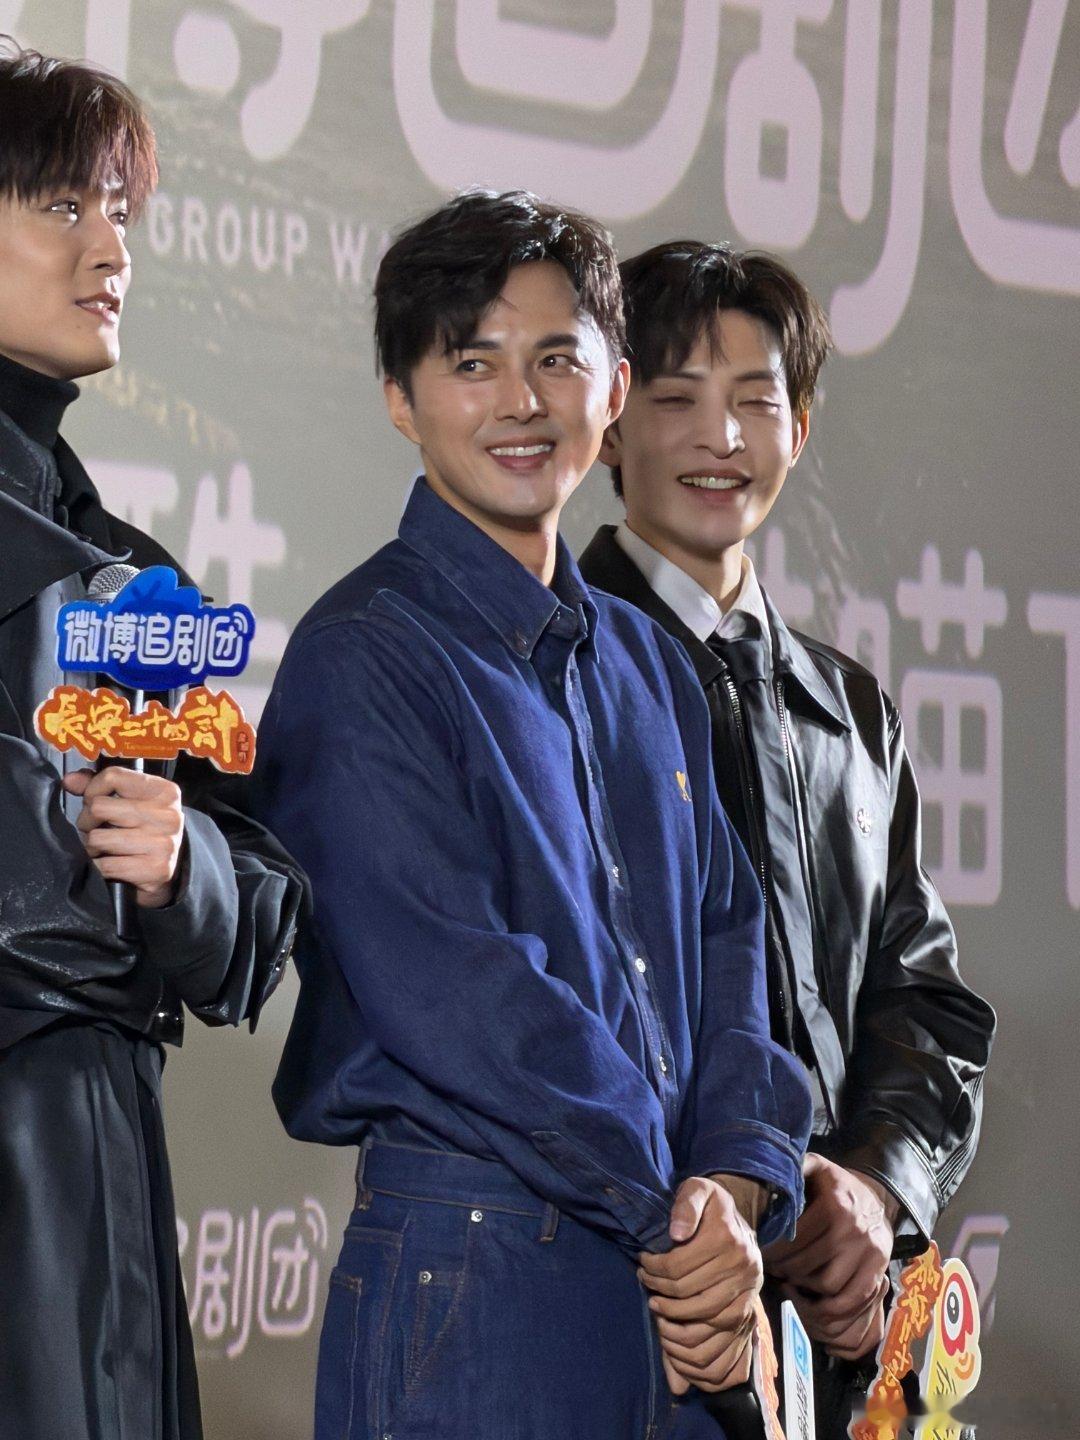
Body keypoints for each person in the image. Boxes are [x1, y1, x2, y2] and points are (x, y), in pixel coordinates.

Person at [249, 190, 813, 1439]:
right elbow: (466, 990)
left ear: (614, 393)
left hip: (683, 1282)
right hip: (480, 1270)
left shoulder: (650, 664)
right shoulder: (363, 657)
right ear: (400, 398)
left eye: (558, 359)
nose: (520, 401)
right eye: (472, 362)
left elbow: (733, 949)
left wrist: (733, 1186)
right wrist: (688, 1218)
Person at [578, 240, 996, 1436]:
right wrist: (753, 1190)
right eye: (675, 398)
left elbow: (925, 999)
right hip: (646, 1297)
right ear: (609, 426)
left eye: (756, 401)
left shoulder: (851, 711)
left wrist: (872, 1187)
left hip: (844, 1325)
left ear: (800, 429)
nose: (720, 438)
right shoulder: (559, 674)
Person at [0, 41, 303, 1440]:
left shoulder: (128, 578)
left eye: (120, 211)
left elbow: (260, 915)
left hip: (98, 1156)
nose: (110, 248)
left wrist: (186, 870)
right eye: (63, 206)